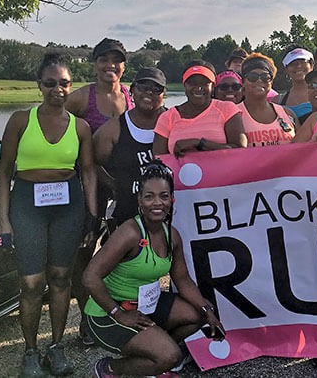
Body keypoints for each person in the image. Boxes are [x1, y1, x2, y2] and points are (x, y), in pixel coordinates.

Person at [0, 53, 97, 377]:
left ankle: (56, 347)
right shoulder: (20, 121)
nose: (58, 89)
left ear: (71, 86)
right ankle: (30, 351)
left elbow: (89, 172)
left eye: (64, 83)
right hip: (27, 203)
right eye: (50, 83)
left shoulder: (80, 127)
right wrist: (3, 221)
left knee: (61, 277)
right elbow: (4, 171)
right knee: (30, 282)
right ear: (39, 85)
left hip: (67, 204)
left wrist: (93, 215)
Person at [83, 162, 226, 378]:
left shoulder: (172, 235)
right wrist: (119, 314)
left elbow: (183, 279)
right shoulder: (130, 233)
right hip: (108, 314)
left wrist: (208, 312)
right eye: (149, 196)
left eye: (163, 196)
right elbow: (90, 277)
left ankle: (152, 357)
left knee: (196, 314)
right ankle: (111, 368)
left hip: (146, 306)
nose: (157, 203)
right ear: (139, 200)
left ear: (172, 199)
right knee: (170, 356)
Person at [65, 37, 134, 345]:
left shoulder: (131, 97)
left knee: (120, 253)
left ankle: (116, 313)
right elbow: (54, 126)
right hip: (88, 187)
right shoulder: (81, 99)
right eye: (104, 59)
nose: (110, 65)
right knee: (83, 252)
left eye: (116, 60)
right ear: (94, 64)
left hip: (123, 189)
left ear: (123, 65)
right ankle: (85, 321)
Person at [93, 67, 167, 238]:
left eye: (156, 89)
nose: (149, 92)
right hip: (129, 213)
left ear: (164, 94)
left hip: (170, 213)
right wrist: (114, 185)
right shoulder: (113, 128)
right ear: (132, 90)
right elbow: (92, 162)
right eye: (142, 86)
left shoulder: (176, 122)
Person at [153, 60, 247, 157]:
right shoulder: (167, 117)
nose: (198, 88)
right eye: (192, 83)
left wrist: (200, 144)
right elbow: (159, 159)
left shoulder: (227, 109)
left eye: (205, 83)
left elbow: (239, 150)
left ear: (213, 86)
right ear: (184, 85)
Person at [238, 53, 299, 147]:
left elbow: (302, 147)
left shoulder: (288, 114)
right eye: (252, 77)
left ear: (271, 82)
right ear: (243, 81)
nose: (259, 81)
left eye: (265, 77)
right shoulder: (233, 115)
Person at [277, 47, 314, 119]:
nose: (298, 66)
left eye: (303, 61)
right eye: (292, 63)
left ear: (311, 66)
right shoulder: (277, 101)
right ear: (286, 69)